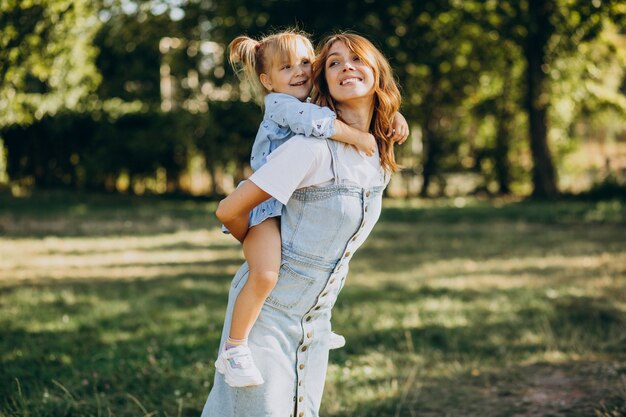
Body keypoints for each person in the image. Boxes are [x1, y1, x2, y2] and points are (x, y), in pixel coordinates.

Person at [202, 32, 406, 417]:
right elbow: (229, 210)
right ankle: (234, 348)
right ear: (324, 80)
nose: (346, 66)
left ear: (376, 72)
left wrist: (393, 117)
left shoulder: (375, 156)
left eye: (357, 59)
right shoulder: (310, 146)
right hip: (267, 317)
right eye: (333, 63)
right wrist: (262, 248)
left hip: (315, 324)